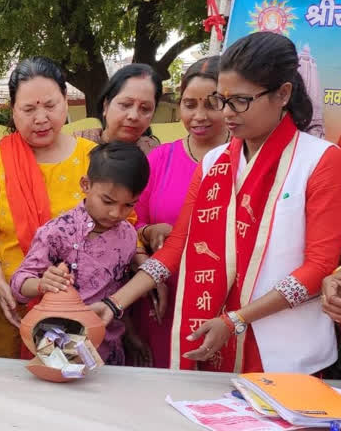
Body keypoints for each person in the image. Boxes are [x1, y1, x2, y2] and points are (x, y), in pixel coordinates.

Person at [93, 32, 341, 374]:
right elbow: (177, 246)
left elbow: (318, 266)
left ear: (283, 94)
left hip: (289, 352)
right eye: (222, 100)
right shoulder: (215, 163)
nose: (227, 113)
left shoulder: (320, 160)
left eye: (239, 101)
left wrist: (238, 319)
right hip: (218, 338)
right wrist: (114, 303)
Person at [0, 56, 99, 358]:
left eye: (50, 106)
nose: (40, 118)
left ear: (66, 102)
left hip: (76, 309)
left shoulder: (92, 159)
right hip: (8, 306)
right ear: (12, 111)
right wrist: (1, 283)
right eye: (28, 109)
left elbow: (117, 222)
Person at [10, 142, 149, 365]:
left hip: (109, 348)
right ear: (86, 184)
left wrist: (131, 336)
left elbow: (121, 291)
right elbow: (18, 284)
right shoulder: (58, 231)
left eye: (128, 205)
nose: (116, 213)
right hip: (59, 349)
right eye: (108, 201)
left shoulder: (128, 236)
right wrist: (41, 284)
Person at [132, 56, 229, 368]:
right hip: (163, 292)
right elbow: (129, 221)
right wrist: (148, 232)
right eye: (189, 104)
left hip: (223, 297)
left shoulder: (245, 158)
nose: (199, 116)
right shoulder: (159, 159)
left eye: (212, 104)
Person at [74, 64, 161, 155]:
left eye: (145, 108)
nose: (133, 116)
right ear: (106, 106)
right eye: (126, 104)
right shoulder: (76, 146)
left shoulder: (157, 155)